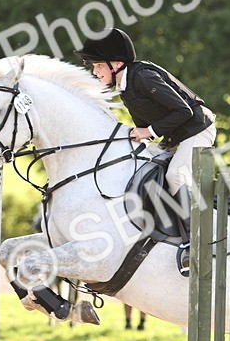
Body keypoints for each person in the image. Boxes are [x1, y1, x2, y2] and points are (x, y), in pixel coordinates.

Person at [77, 28, 216, 276]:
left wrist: (149, 131)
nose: (94, 71)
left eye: (98, 65)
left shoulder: (143, 78)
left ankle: (195, 244)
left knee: (175, 176)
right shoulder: (125, 86)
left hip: (198, 130)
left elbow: (183, 111)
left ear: (116, 63)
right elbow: (142, 128)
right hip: (174, 136)